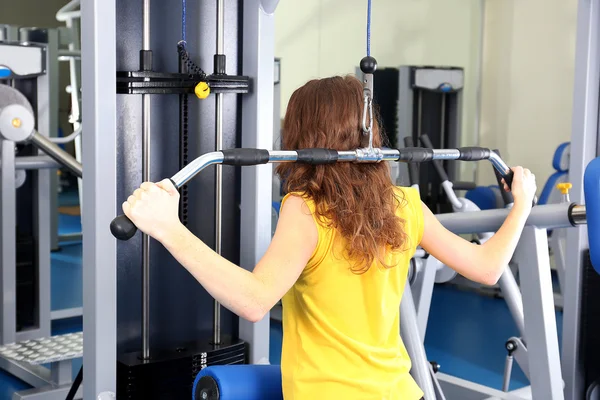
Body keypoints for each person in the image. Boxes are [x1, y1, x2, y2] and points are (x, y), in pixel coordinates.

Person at [122, 75, 537, 400]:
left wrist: (168, 228)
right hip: (401, 392)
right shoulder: (405, 205)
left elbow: (253, 301)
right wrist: (522, 203)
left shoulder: (306, 208)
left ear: (303, 138)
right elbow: (488, 268)